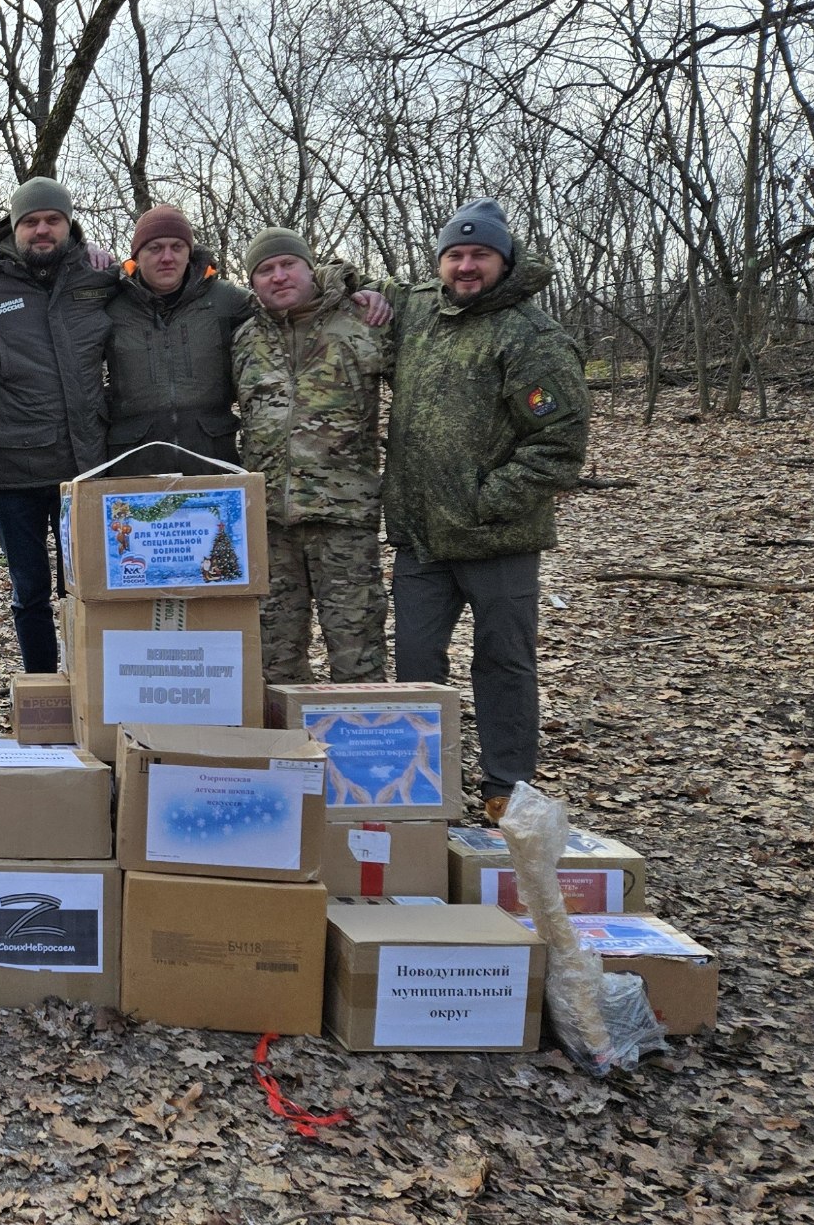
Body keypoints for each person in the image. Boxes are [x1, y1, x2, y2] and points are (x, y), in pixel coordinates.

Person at [382, 199, 590, 819]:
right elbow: (347, 284)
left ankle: (506, 786)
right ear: (440, 261)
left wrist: (483, 503)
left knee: (504, 664)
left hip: (498, 540)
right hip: (422, 542)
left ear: (505, 260)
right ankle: (424, 785)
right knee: (417, 666)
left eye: (480, 255)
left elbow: (559, 444)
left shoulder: (532, 336)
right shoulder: (418, 311)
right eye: (455, 255)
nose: (466, 266)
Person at [0, 178, 120, 672]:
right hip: (13, 468)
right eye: (31, 221)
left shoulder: (100, 279)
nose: (42, 230)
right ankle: (43, 690)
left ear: (70, 225)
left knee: (85, 589)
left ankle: (88, 693)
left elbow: (173, 280)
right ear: (14, 226)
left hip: (85, 466)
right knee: (30, 591)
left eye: (53, 220)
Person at [233, 226, 390, 684]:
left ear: (310, 268)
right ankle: (287, 751)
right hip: (269, 524)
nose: (278, 276)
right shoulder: (245, 338)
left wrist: (376, 292)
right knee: (273, 660)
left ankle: (361, 750)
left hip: (343, 518)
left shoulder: (365, 321)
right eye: (265, 270)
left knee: (356, 649)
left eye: (288, 265)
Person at [103, 203, 257, 474]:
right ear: (137, 256)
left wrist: (354, 294)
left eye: (177, 247)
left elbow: (288, 304)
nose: (167, 257)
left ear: (189, 252)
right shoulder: (111, 305)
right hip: (135, 464)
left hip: (212, 459)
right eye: (155, 248)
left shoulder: (225, 299)